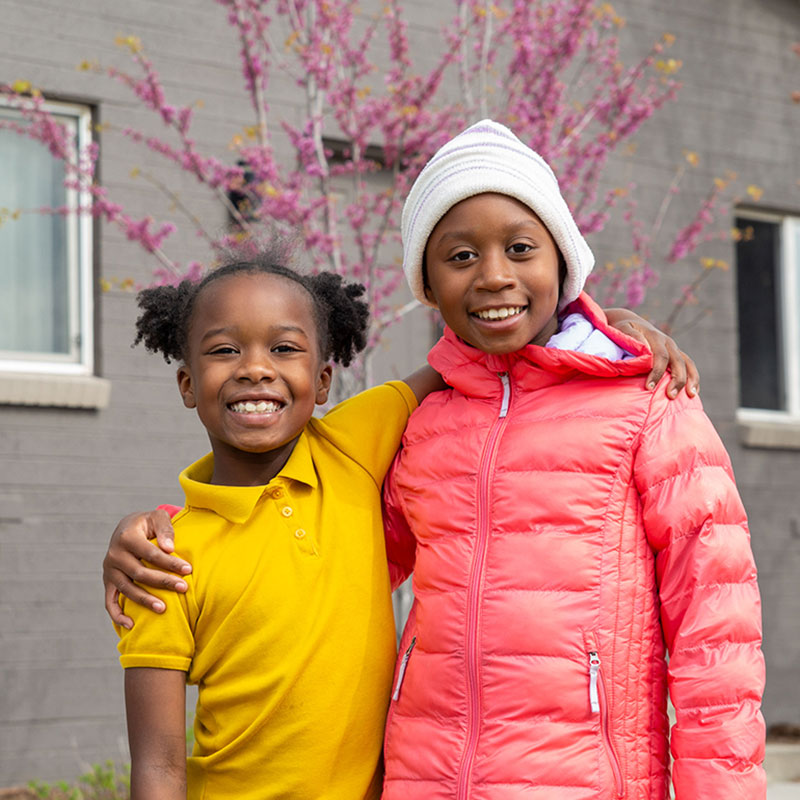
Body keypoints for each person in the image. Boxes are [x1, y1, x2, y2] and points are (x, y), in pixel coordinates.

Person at [378, 120, 765, 799]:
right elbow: (335, 559)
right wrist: (180, 539)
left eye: (521, 248)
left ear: (563, 261)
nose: (495, 276)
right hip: (426, 778)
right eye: (461, 257)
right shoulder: (423, 425)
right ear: (428, 285)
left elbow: (718, 634)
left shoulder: (648, 402)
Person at [113, 246, 448, 800]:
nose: (255, 368)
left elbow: (468, 353)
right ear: (188, 384)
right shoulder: (163, 559)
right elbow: (159, 766)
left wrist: (602, 322)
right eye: (224, 350)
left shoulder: (352, 447)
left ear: (321, 381)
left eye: (284, 347)